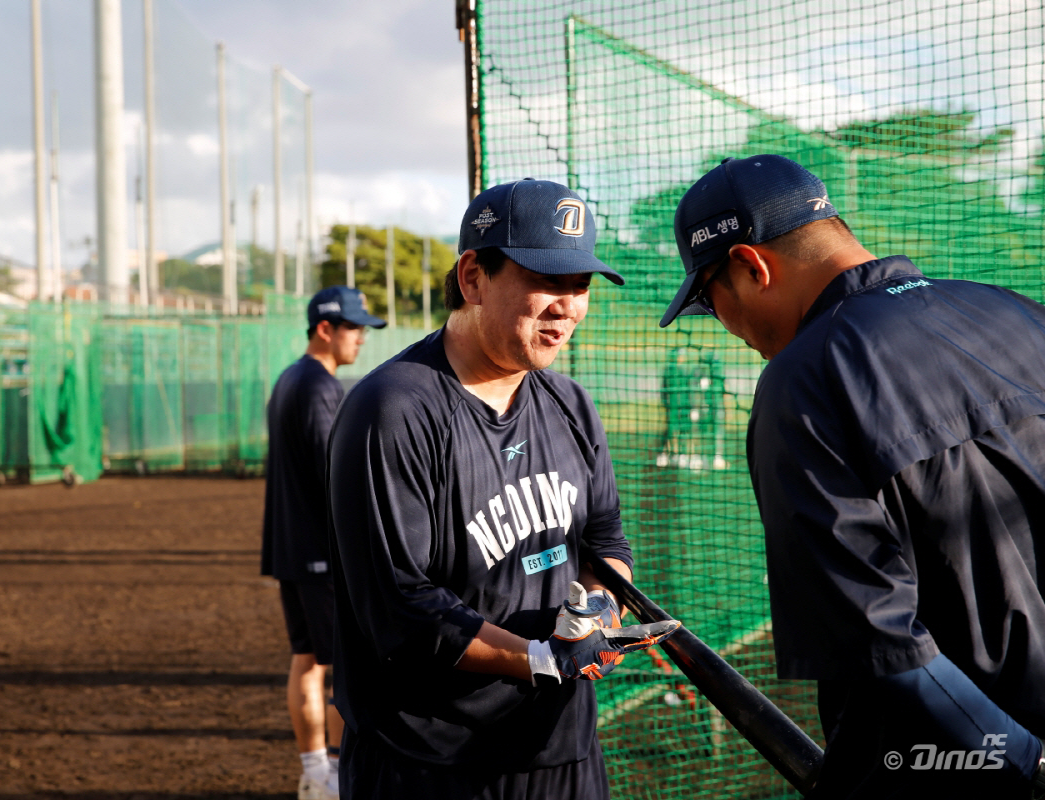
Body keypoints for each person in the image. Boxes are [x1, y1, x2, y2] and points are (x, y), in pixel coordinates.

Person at [659, 154, 1045, 797]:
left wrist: (1030, 764)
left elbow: (885, 653)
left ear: (751, 267)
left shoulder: (801, 385)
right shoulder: (1017, 311)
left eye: (707, 297)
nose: (722, 325)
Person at [326, 178, 678, 800]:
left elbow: (604, 540)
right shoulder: (393, 409)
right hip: (429, 762)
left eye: (581, 285)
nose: (568, 306)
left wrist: (594, 612)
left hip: (559, 748)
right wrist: (541, 658)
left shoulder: (570, 404)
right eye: (548, 279)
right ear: (472, 278)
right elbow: (401, 607)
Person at [261, 285, 386, 800]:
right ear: (324, 329)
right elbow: (332, 474)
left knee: (308, 659)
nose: (360, 337)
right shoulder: (318, 386)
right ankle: (338, 775)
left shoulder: (291, 377)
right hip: (320, 554)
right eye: (353, 327)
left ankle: (316, 773)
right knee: (343, 667)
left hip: (291, 548)